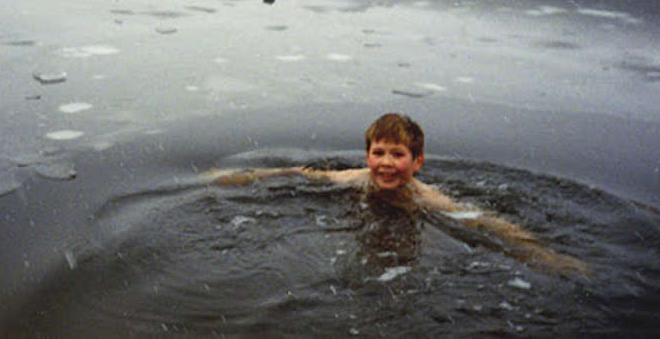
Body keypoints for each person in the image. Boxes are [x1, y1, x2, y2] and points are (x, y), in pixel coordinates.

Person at [206, 112, 587, 276]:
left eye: (398, 155)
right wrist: (242, 177)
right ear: (367, 155)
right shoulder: (355, 178)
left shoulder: (426, 197)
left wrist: (541, 253)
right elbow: (303, 174)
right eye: (379, 153)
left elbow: (484, 222)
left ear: (417, 161)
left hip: (414, 235)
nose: (386, 163)